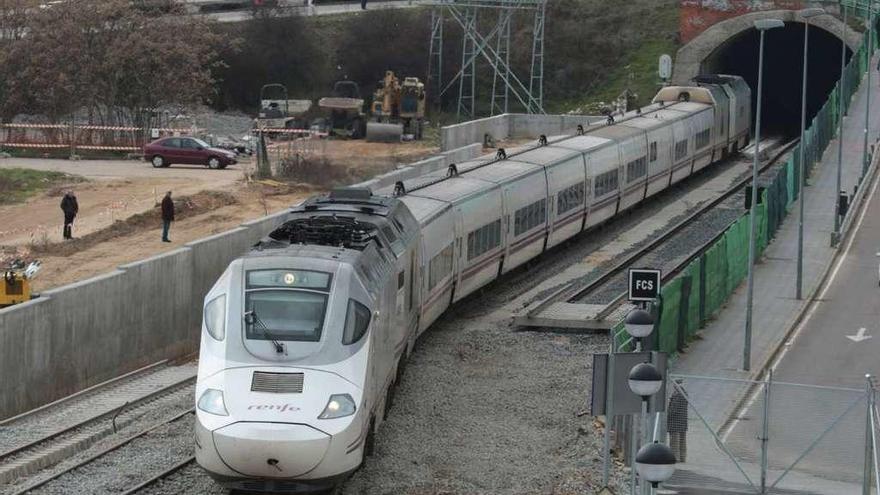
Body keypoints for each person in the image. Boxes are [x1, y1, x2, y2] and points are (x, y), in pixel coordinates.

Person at [667, 379, 688, 462]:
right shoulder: (685, 394)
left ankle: (675, 457)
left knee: (674, 441)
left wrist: (667, 414)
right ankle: (683, 457)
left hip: (675, 421)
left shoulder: (677, 395)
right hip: (683, 421)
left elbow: (673, 410)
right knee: (682, 440)